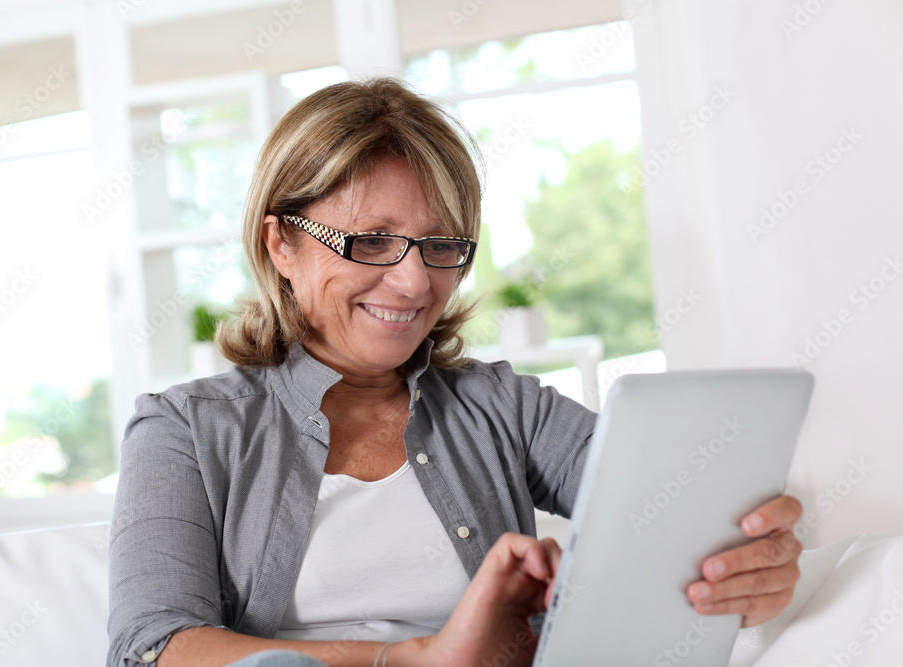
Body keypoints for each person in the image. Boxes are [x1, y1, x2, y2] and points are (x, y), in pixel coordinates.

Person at [107, 78, 803, 667]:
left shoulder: (503, 406)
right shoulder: (184, 430)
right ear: (281, 241)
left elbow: (666, 511)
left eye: (441, 243)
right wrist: (416, 655)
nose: (413, 282)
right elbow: (154, 646)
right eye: (372, 240)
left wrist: (745, 562)